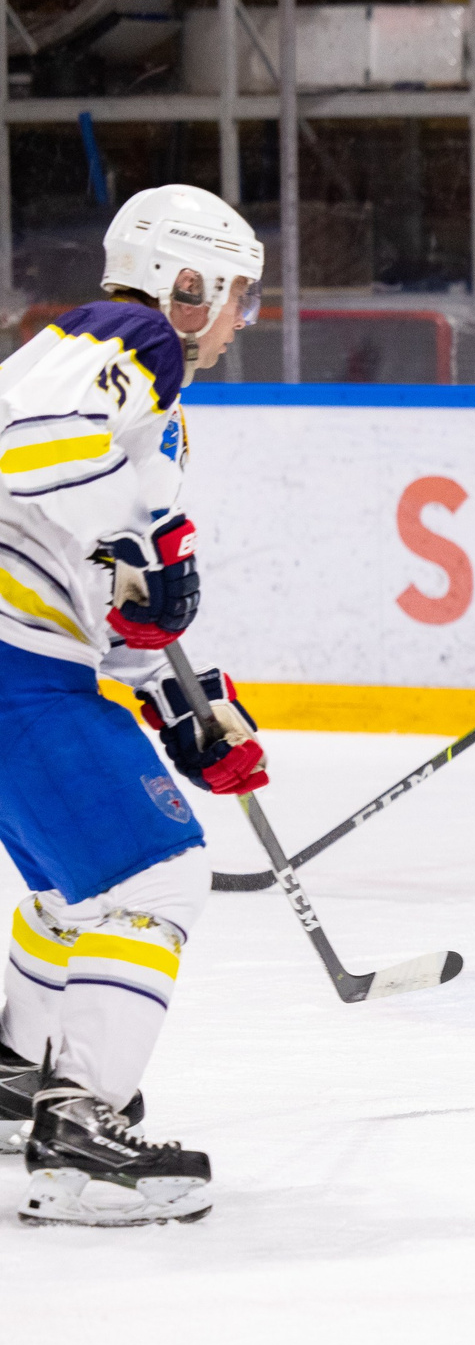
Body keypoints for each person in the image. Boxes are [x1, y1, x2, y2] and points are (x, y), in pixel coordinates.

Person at [0, 183, 272, 1225]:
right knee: (155, 875)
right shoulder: (130, 337)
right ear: (184, 283)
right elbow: (31, 454)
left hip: (31, 659)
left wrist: (186, 705)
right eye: (237, 294)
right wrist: (146, 542)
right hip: (14, 666)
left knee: (79, 890)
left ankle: (18, 1074)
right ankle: (80, 1138)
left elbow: (112, 602)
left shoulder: (133, 393)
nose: (241, 319)